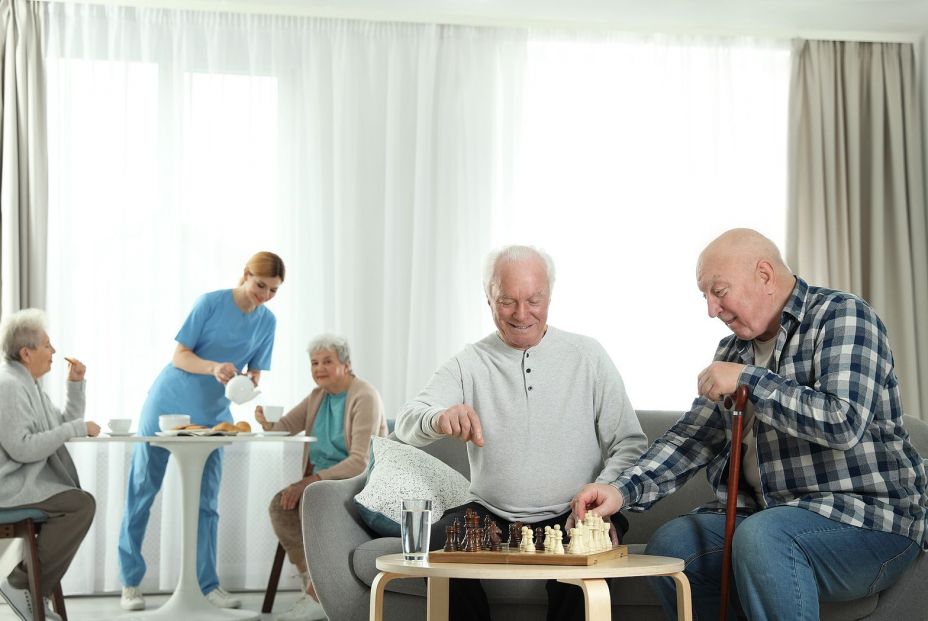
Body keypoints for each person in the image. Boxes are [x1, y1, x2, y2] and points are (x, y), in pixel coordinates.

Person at [572, 228, 928, 620]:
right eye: (704, 296)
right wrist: (619, 492)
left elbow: (842, 421)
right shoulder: (733, 350)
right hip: (768, 516)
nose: (711, 309)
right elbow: (693, 439)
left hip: (869, 522)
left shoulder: (843, 316)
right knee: (674, 544)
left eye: (719, 291)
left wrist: (747, 380)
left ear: (764, 274)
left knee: (765, 536)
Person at [395, 244, 648, 621]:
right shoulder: (469, 362)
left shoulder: (589, 356)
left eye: (534, 299)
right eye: (507, 301)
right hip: (490, 513)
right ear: (488, 299)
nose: (521, 313)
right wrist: (438, 417)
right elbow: (407, 422)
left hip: (575, 512)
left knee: (578, 576)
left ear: (550, 296)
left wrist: (602, 500)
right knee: (436, 546)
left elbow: (629, 443)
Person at [118, 251, 285, 611]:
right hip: (168, 404)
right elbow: (179, 355)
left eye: (273, 290)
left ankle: (206, 585)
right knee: (142, 491)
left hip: (213, 414)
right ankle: (130, 582)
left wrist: (247, 382)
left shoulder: (267, 322)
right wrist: (213, 368)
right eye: (260, 286)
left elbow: (255, 372)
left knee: (207, 502)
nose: (265, 295)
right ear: (244, 275)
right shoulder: (210, 303)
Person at [255, 333, 387, 621]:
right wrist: (268, 423)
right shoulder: (318, 396)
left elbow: (360, 461)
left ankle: (317, 594)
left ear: (346, 364)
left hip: (356, 482)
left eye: (327, 361)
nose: (319, 369)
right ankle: (315, 586)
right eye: (314, 363)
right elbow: (287, 425)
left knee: (310, 500)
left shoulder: (364, 395)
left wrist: (309, 482)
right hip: (320, 481)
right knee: (281, 505)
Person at [0, 309, 99, 621]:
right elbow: (23, 448)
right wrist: (77, 428)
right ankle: (22, 585)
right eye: (47, 345)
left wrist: (75, 385)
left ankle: (32, 589)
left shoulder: (28, 384)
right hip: (10, 486)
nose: (54, 351)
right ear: (26, 352)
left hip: (26, 482)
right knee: (79, 506)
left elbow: (62, 425)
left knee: (79, 503)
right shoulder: (9, 386)